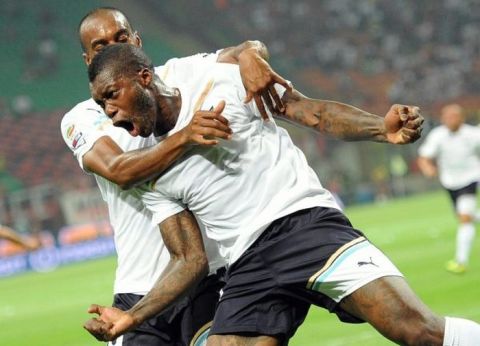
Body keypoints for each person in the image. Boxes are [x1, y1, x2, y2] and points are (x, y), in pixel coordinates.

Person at [84, 44, 480, 345]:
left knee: (417, 330)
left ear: (144, 77)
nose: (109, 112)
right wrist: (131, 317)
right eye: (101, 104)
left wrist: (382, 128)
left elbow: (310, 112)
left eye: (112, 95)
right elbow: (188, 259)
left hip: (304, 226)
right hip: (246, 266)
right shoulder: (151, 170)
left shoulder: (217, 81)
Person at [61, 7, 291, 346]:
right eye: (100, 45)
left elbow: (243, 49)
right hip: (140, 290)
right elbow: (119, 170)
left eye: (120, 38)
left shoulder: (181, 75)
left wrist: (252, 53)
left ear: (136, 40)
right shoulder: (83, 117)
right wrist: (185, 136)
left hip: (210, 281)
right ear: (87, 59)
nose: (112, 47)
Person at [418, 104, 480, 274]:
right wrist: (427, 168)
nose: (450, 120)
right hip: (450, 182)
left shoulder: (473, 134)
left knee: (465, 219)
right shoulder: (438, 135)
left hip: (470, 179)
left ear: (462, 118)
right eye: (447, 117)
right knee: (464, 217)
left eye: (454, 116)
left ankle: (461, 261)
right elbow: (424, 156)